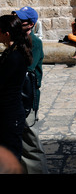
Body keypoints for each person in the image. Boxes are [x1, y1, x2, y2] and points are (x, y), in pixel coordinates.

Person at [14, 6, 48, 174]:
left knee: (31, 141)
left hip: (27, 98)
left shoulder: (34, 43)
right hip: (19, 98)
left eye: (21, 20)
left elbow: (27, 68)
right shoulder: (20, 41)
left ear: (31, 24)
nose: (17, 22)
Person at [0, 14, 32, 162]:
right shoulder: (13, 52)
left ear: (6, 34)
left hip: (10, 114)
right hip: (9, 112)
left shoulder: (14, 56)